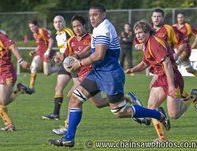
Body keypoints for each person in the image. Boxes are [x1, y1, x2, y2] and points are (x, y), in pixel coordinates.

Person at [48, 4, 170, 147]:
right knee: (75, 98)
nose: (92, 18)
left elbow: (99, 54)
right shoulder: (98, 28)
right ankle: (69, 138)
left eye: (96, 15)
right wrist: (78, 55)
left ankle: (157, 115)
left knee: (120, 111)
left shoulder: (104, 28)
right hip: (97, 73)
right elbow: (92, 48)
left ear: (104, 14)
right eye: (90, 15)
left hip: (111, 75)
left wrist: (79, 63)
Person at [125, 20, 197, 142]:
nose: (138, 36)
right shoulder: (146, 43)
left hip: (172, 77)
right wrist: (133, 69)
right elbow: (145, 62)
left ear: (147, 32)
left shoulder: (155, 43)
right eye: (136, 33)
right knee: (151, 108)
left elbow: (167, 64)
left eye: (140, 33)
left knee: (174, 114)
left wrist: (171, 85)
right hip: (161, 77)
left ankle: (193, 96)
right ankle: (162, 138)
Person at [42, 15, 75, 120]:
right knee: (58, 88)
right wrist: (58, 57)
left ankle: (119, 101)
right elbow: (63, 50)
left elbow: (74, 46)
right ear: (53, 24)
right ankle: (56, 114)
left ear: (64, 22)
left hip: (74, 63)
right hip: (64, 64)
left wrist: (64, 56)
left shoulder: (68, 32)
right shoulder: (57, 35)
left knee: (95, 99)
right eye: (56, 22)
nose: (58, 24)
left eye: (60, 21)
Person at [26, 20, 57, 92]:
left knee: (47, 73)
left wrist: (48, 51)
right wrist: (34, 51)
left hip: (46, 54)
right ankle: (31, 87)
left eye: (33, 26)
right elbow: (39, 45)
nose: (32, 28)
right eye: (30, 27)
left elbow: (51, 40)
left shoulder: (42, 31)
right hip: (39, 53)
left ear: (37, 25)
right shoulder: (35, 34)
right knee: (33, 67)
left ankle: (61, 68)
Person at [173, 13, 197, 82]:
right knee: (189, 69)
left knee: (173, 65)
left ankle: (177, 90)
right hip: (178, 50)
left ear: (184, 18)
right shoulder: (174, 27)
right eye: (178, 17)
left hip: (186, 49)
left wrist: (194, 45)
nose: (180, 19)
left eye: (182, 17)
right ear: (177, 19)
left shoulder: (188, 26)